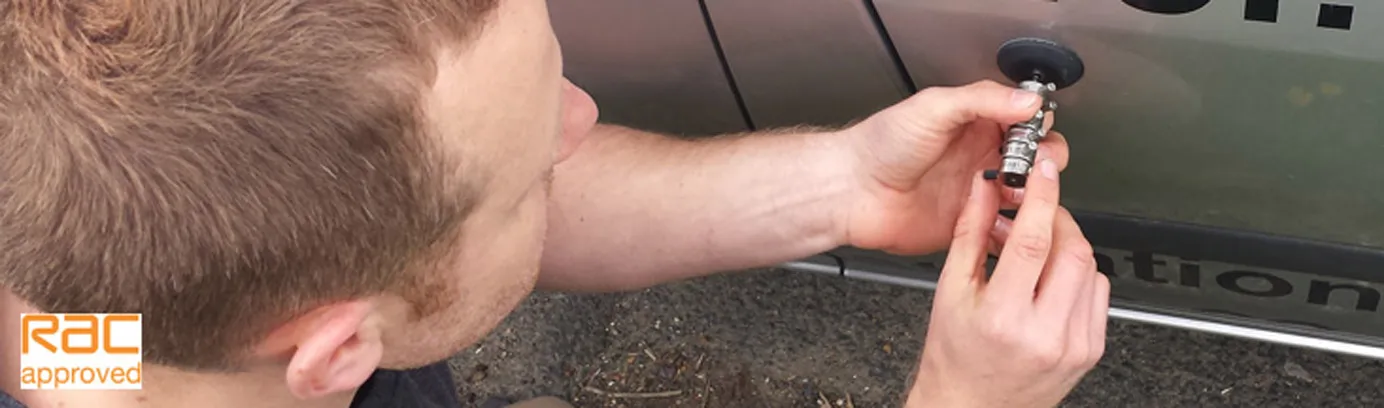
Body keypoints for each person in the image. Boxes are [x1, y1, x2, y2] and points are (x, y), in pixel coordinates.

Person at [0, 0, 1109, 407]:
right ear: (336, 351)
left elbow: (436, 242)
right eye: (532, 166)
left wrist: (841, 184)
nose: (579, 123)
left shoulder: (84, 324)